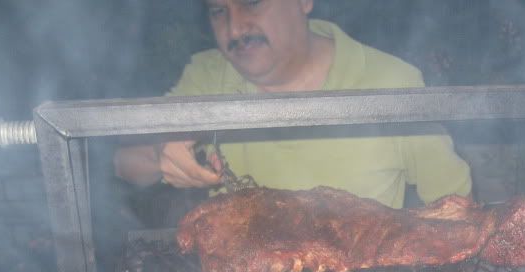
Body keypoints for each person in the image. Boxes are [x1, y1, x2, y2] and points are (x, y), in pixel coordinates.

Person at [114, 0, 472, 208]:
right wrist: (160, 151)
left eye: (252, 1)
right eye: (218, 10)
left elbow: (456, 206)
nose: (235, 28)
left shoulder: (392, 83)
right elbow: (123, 163)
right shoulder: (207, 76)